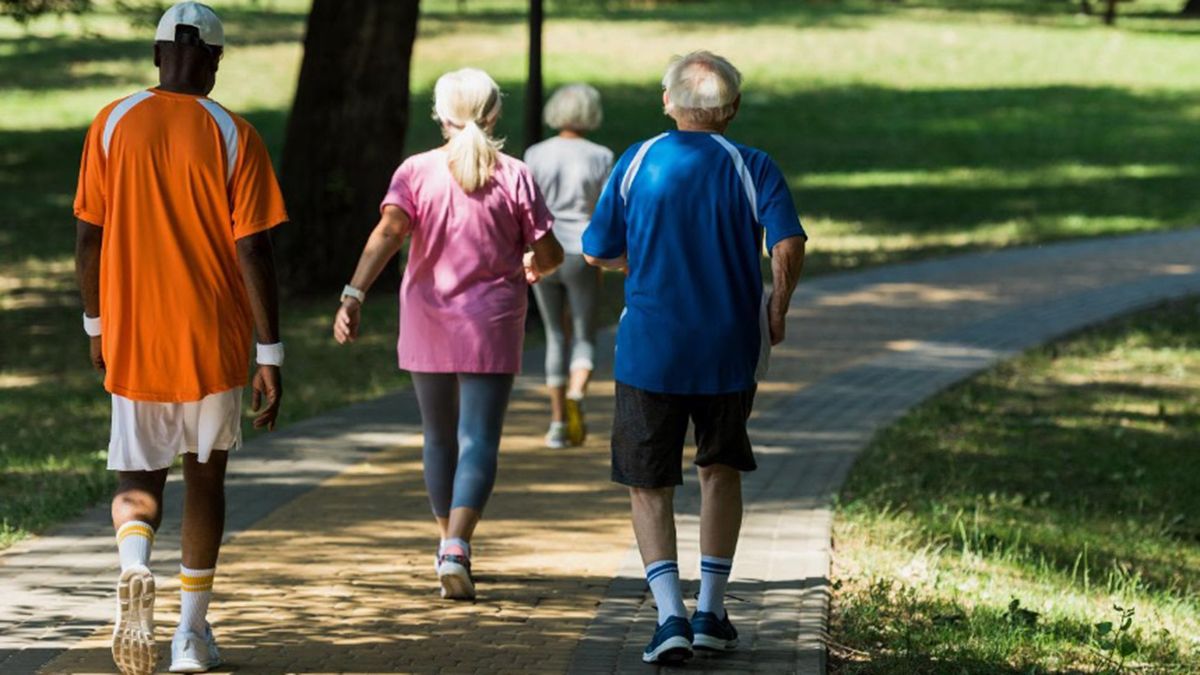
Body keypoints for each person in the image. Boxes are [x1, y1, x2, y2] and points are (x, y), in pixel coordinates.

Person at [73, 3, 287, 674]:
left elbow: (88, 237)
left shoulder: (111, 123)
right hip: (213, 340)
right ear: (214, 61)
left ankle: (135, 564)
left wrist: (95, 324)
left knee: (137, 475)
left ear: (157, 54)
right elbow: (253, 248)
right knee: (204, 477)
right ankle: (191, 635)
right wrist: (270, 351)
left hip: (134, 335)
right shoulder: (235, 133)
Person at [583, 51, 807, 664]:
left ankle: (669, 618)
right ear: (732, 108)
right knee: (720, 470)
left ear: (667, 102)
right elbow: (788, 242)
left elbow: (597, 249)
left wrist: (634, 260)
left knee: (648, 483)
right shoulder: (752, 165)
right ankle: (711, 609)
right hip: (729, 348)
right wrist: (778, 308)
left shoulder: (637, 161)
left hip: (649, 352)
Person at [332, 68, 563, 601]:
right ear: (495, 113)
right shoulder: (515, 175)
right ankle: (457, 545)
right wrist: (536, 263)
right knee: (479, 437)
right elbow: (550, 252)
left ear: (440, 116)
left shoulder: (415, 171)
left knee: (438, 436)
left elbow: (389, 231)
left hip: (428, 318)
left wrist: (354, 293)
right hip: (492, 323)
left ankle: (447, 545)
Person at [524, 84, 614, 449]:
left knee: (554, 335)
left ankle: (558, 422)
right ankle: (577, 392)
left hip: (545, 249)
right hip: (582, 252)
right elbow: (607, 211)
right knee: (583, 333)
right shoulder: (601, 156)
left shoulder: (535, 154)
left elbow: (526, 204)